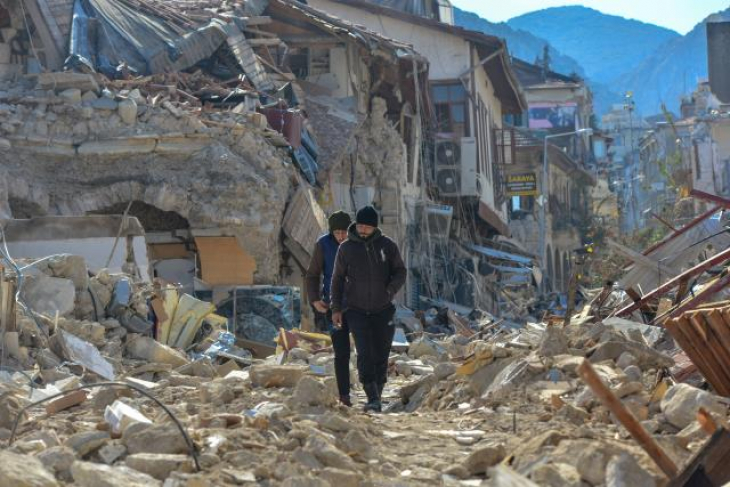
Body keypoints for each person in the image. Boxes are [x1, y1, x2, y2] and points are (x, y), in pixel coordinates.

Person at [331, 205, 407, 412]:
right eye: (361, 226)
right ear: (356, 225)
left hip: (383, 310)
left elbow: (400, 271)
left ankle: (378, 394)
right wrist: (336, 308)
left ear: (375, 227)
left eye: (368, 227)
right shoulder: (346, 248)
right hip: (355, 310)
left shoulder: (387, 246)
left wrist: (390, 290)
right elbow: (337, 279)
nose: (363, 230)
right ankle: (371, 396)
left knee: (381, 354)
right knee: (364, 353)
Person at [305, 210, 353, 406]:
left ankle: (373, 394)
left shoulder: (357, 244)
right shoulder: (323, 245)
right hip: (334, 307)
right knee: (341, 352)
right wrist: (315, 300)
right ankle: (344, 396)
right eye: (337, 232)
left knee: (367, 351)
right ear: (332, 231)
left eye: (344, 232)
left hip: (359, 306)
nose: (341, 236)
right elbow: (313, 275)